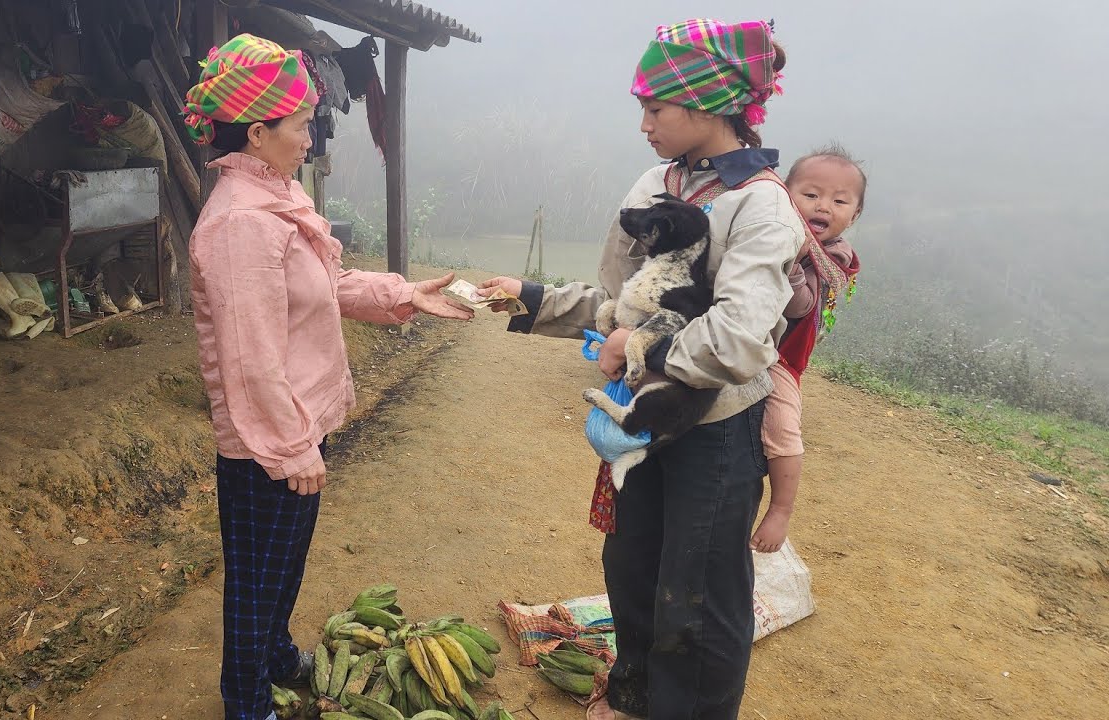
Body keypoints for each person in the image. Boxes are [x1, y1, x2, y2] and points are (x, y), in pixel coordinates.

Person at [480, 19, 802, 720]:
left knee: (699, 590)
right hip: (644, 422)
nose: (645, 124)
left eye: (656, 108)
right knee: (630, 568)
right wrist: (530, 300)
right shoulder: (655, 184)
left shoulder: (762, 206)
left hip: (716, 432)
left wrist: (641, 348)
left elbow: (740, 340)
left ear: (706, 106)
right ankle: (631, 694)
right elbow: (619, 305)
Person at [182, 35, 473, 720]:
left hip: (295, 426)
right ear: (257, 132)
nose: (312, 137)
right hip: (267, 443)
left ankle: (277, 656)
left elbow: (323, 286)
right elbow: (250, 358)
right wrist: (289, 447)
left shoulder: (277, 199)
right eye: (303, 123)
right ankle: (247, 703)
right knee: (257, 577)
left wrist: (401, 294)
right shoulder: (243, 225)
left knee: (282, 564)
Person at [750, 145, 865, 554]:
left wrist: (795, 263)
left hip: (780, 357)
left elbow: (799, 306)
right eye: (811, 194)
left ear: (855, 215)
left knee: (782, 427)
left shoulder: (832, 256)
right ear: (784, 193)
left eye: (839, 200)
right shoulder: (771, 226)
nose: (823, 207)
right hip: (743, 335)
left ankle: (780, 509)